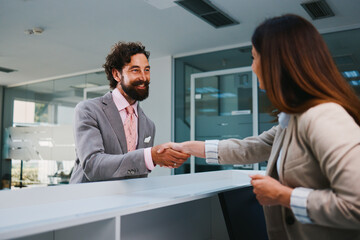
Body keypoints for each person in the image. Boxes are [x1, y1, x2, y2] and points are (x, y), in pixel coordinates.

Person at [158, 14, 360, 239]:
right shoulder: (293, 120)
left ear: (277, 63)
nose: (253, 67)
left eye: (254, 57)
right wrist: (187, 148)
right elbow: (250, 148)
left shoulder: (323, 117)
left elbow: (356, 205)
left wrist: (283, 196)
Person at [70, 41, 189, 183]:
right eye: (135, 70)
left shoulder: (149, 125)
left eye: (146, 70)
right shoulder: (88, 110)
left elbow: (138, 173)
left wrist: (157, 159)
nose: (144, 78)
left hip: (128, 202)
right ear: (116, 74)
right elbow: (93, 166)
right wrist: (150, 157)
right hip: (89, 201)